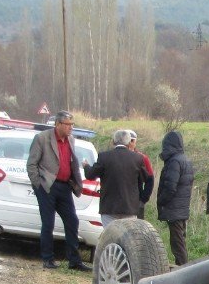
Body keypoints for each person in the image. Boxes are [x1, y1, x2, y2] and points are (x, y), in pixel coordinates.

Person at [25, 110, 91, 271]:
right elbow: (31, 164)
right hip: (47, 186)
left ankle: (74, 260)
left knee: (72, 221)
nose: (70, 128)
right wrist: (38, 185)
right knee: (48, 223)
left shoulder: (71, 140)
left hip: (65, 186)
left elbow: (71, 162)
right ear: (58, 124)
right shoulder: (42, 138)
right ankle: (48, 258)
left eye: (72, 125)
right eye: (67, 125)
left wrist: (75, 182)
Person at [83, 129, 148, 227]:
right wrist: (142, 199)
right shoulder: (138, 159)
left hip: (109, 207)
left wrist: (86, 166)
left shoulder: (104, 157)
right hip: (129, 207)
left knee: (110, 236)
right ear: (128, 142)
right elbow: (145, 179)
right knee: (128, 237)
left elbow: (90, 175)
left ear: (113, 141)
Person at [156, 131, 195, 266]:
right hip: (182, 208)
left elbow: (170, 187)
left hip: (174, 209)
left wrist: (161, 201)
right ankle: (182, 266)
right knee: (180, 241)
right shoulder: (185, 160)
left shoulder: (174, 162)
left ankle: (182, 268)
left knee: (177, 243)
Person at [127, 130, 154, 219]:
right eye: (128, 140)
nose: (130, 143)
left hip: (136, 201)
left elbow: (150, 179)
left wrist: (143, 199)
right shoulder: (115, 156)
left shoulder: (142, 158)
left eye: (132, 141)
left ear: (135, 142)